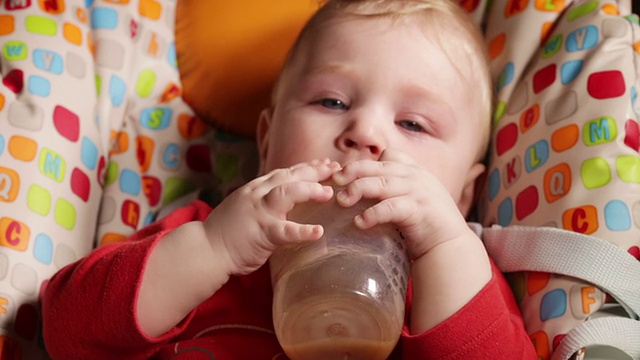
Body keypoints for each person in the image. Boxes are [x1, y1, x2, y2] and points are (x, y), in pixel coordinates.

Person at [41, 0, 537, 359]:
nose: (365, 132)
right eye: (332, 102)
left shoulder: (455, 278)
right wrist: (213, 249)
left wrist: (445, 245)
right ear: (266, 142)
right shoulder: (206, 240)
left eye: (413, 124)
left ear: (464, 194)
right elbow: (64, 331)